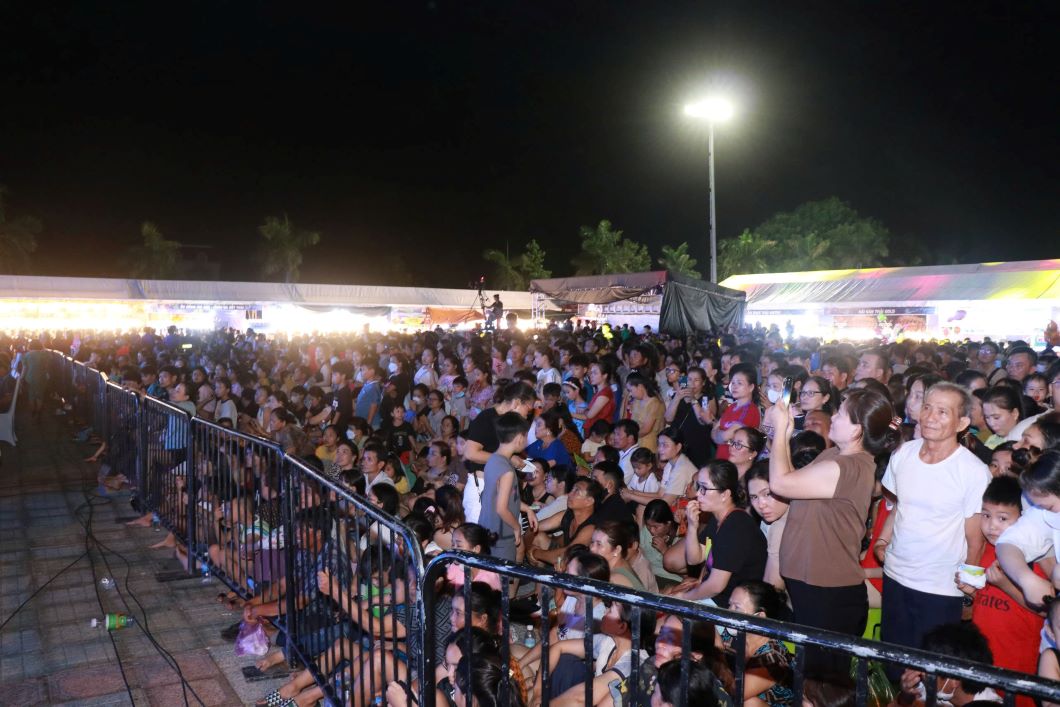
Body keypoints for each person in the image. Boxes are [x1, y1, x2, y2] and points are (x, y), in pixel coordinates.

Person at [768, 387, 899, 674]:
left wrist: (780, 431)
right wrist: (785, 432)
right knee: (811, 678)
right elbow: (792, 481)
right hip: (812, 588)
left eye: (841, 413)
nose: (834, 416)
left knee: (821, 686)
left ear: (857, 430)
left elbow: (780, 484)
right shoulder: (832, 455)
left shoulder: (849, 467)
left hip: (829, 595)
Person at [879, 383, 991, 660]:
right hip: (895, 575)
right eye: (927, 407)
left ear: (962, 422)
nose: (930, 416)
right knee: (893, 661)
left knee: (930, 669)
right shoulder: (903, 454)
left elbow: (975, 539)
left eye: (943, 412)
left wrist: (968, 591)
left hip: (939, 587)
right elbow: (900, 506)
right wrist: (882, 540)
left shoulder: (972, 471)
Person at [955, 476, 1045, 692]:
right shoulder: (984, 551)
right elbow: (982, 604)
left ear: (1023, 518)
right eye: (986, 515)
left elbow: (1046, 610)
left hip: (1020, 663)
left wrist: (1005, 585)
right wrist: (970, 594)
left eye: (1002, 518)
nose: (991, 525)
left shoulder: (1036, 557)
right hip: (982, 658)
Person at [676, 460, 766, 607]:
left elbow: (716, 585)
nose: (698, 493)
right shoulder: (718, 518)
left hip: (735, 605)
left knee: (667, 616)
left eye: (704, 488)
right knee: (669, 592)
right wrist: (692, 526)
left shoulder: (736, 525)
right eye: (699, 487)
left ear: (724, 494)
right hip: (719, 596)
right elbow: (694, 559)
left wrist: (685, 597)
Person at [725, 581, 795, 705]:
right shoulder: (732, 635)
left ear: (760, 617)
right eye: (729, 605)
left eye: (737, 607)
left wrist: (716, 649)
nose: (729, 612)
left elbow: (736, 692)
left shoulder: (773, 656)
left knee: (749, 703)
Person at [477, 411, 531, 562]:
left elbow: (493, 496)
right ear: (519, 438)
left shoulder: (492, 460)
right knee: (502, 580)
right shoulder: (507, 471)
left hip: (486, 528)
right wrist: (516, 527)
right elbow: (501, 508)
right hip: (502, 533)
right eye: (526, 436)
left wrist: (526, 509)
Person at [713, 363, 761, 461]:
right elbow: (713, 432)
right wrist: (720, 434)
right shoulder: (732, 406)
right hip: (721, 459)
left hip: (734, 465)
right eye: (733, 383)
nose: (734, 386)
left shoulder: (750, 411)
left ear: (751, 387)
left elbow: (725, 436)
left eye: (739, 383)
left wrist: (719, 434)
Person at [624, 372, 666, 453]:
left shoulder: (655, 403)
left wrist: (627, 437)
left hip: (648, 447)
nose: (630, 394)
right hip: (635, 444)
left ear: (640, 386)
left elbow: (646, 430)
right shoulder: (636, 400)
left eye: (631, 390)